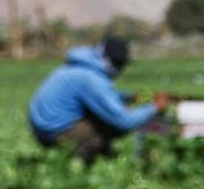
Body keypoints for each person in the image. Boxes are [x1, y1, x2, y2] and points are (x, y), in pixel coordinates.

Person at [28, 37, 168, 163]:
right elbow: (124, 121)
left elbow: (97, 96)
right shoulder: (91, 79)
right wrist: (154, 107)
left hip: (42, 126)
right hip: (53, 131)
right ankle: (78, 165)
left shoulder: (79, 66)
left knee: (103, 119)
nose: (120, 70)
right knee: (108, 128)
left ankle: (104, 157)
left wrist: (127, 97)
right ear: (107, 59)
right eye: (118, 64)